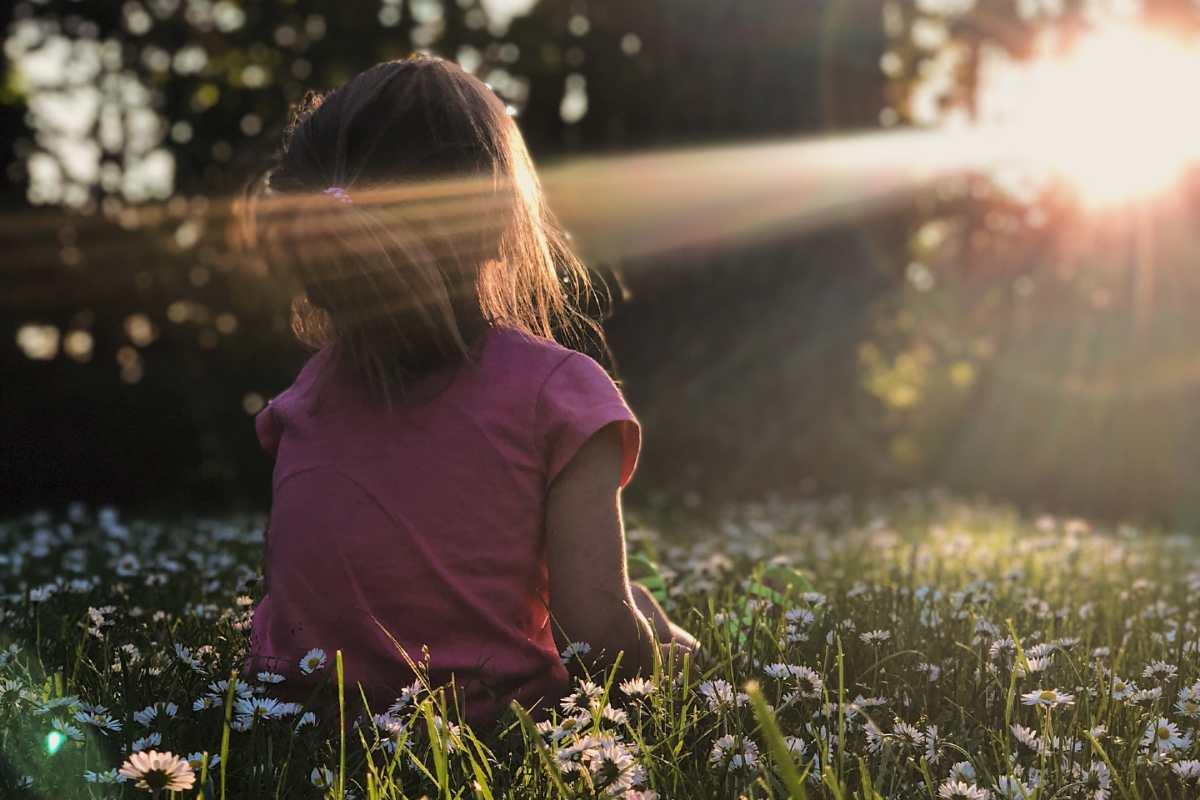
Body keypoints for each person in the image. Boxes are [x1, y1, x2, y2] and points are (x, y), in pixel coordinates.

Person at [237, 54, 697, 730]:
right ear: (494, 223)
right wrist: (668, 659)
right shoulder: (559, 395)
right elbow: (595, 637)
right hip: (488, 732)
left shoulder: (303, 400)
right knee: (641, 618)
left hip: (295, 723)